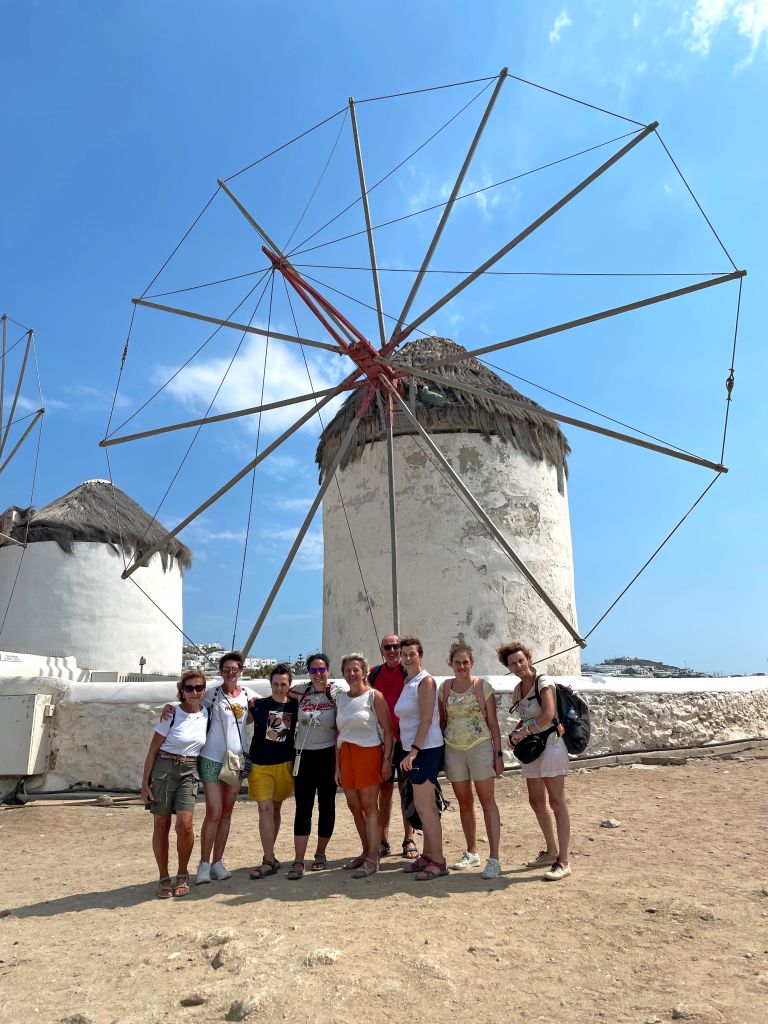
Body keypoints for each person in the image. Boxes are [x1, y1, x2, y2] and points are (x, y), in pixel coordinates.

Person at [498, 641, 572, 881]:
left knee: (557, 801)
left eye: (521, 660)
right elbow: (526, 716)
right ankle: (551, 851)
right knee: (536, 800)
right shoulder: (517, 691)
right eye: (513, 663)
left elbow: (548, 714)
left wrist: (524, 732)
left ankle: (564, 860)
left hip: (551, 743)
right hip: (533, 748)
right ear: (508, 667)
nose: (518, 666)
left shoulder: (543, 682)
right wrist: (516, 733)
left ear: (528, 660)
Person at [141, 670, 209, 898]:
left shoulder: (207, 714)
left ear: (204, 690)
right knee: (161, 824)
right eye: (189, 688)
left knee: (185, 824)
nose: (194, 692)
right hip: (164, 769)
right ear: (182, 691)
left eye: (199, 688)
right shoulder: (171, 714)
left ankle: (182, 873)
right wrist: (145, 784)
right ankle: (163, 876)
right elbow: (153, 750)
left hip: (189, 770)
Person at [440, 642, 504, 879]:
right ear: (450, 663)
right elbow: (442, 720)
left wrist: (498, 755)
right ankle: (472, 852)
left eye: (465, 662)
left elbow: (493, 723)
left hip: (480, 747)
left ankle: (494, 858)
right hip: (453, 748)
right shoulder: (444, 688)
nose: (461, 666)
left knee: (487, 801)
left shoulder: (482, 687)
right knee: (464, 802)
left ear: (472, 663)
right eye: (457, 662)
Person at [334, 653, 394, 879]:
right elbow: (338, 733)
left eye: (356, 669)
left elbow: (388, 730)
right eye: (347, 670)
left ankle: (373, 858)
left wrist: (386, 759)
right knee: (354, 806)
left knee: (369, 806)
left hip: (369, 753)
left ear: (364, 672)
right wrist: (337, 766)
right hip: (346, 755)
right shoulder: (340, 698)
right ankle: (366, 850)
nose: (351, 674)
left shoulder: (374, 696)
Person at [395, 637, 448, 882]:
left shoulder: (425, 681)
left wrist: (414, 751)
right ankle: (427, 855)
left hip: (425, 750)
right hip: (414, 749)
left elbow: (426, 719)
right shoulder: (409, 681)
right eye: (404, 654)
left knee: (427, 808)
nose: (407, 658)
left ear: (420, 656)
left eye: (412, 654)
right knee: (421, 806)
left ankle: (438, 861)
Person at [286, 652, 337, 880]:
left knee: (327, 806)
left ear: (328, 670)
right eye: (313, 670)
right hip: (303, 755)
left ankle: (320, 853)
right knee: (303, 807)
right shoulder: (300, 691)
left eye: (321, 670)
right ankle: (298, 859)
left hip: (327, 755)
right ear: (308, 672)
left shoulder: (335, 692)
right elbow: (280, 693)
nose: (318, 674)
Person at [369, 634, 418, 861]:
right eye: (387, 647)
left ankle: (409, 838)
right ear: (382, 650)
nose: (392, 651)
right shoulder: (373, 674)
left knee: (407, 791)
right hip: (382, 741)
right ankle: (383, 840)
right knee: (384, 792)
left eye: (396, 646)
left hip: (406, 740)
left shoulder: (410, 672)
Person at [247, 663, 299, 879]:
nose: (279, 688)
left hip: (284, 765)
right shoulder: (258, 705)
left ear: (290, 685)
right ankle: (268, 859)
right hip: (260, 766)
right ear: (270, 684)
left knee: (275, 808)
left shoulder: (296, 706)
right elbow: (235, 721)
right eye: (275, 684)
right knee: (265, 809)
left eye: (283, 684)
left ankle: (271, 855)